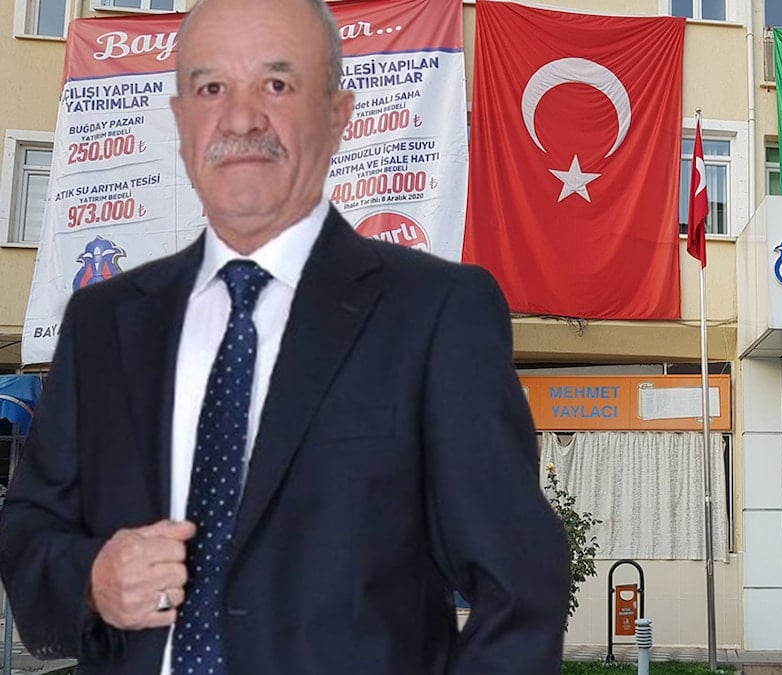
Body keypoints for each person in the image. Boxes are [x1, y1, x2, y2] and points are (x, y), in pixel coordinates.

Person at [0, 0, 570, 672]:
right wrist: (92, 577)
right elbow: (28, 530)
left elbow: (520, 590)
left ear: (337, 116)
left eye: (277, 84)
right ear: (180, 120)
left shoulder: (436, 314)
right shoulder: (103, 324)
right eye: (211, 87)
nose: (241, 119)